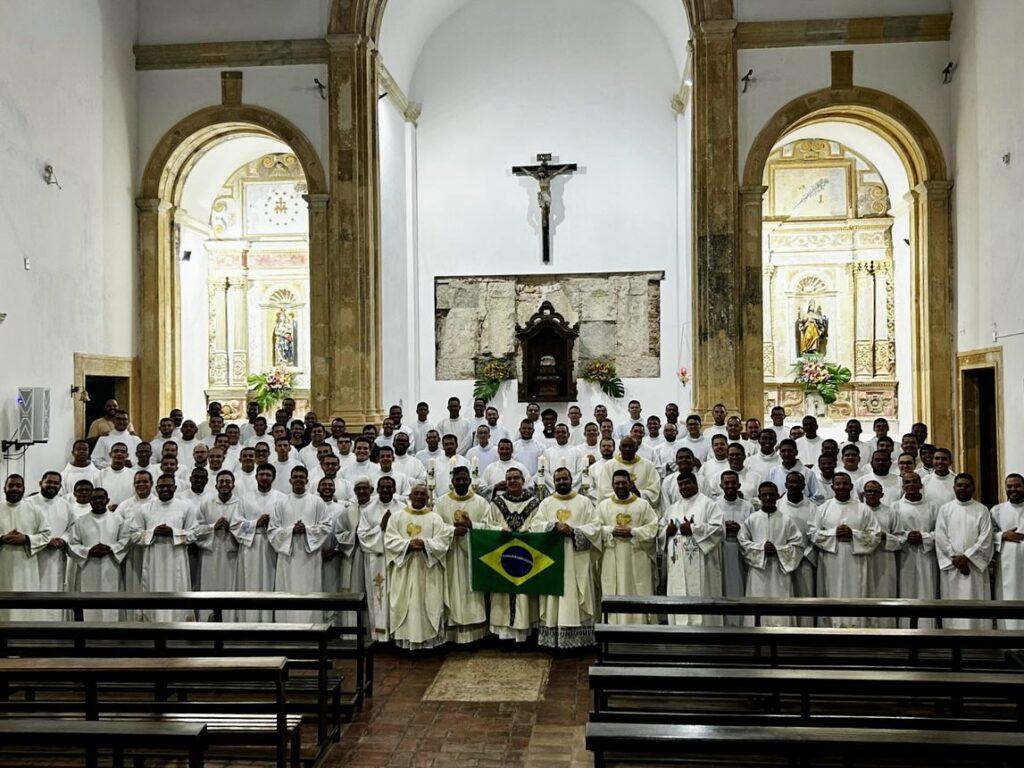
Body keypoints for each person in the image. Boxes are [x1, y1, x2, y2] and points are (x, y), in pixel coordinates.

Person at [530, 468, 601, 648]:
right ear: (553, 482)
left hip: (577, 558)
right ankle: (553, 638)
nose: (562, 482)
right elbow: (535, 525)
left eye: (565, 479)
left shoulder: (584, 502)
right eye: (558, 479)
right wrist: (553, 526)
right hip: (553, 558)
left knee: (576, 594)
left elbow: (595, 527)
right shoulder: (546, 503)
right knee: (554, 598)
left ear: (571, 480)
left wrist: (574, 531)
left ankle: (580, 639)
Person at [384, 484, 452, 650]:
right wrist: (407, 545)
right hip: (404, 570)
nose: (420, 496)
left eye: (423, 494)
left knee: (428, 602)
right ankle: (405, 640)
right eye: (416, 493)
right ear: (410, 496)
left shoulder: (435, 518)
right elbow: (389, 540)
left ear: (428, 498)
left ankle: (428, 642)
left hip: (428, 569)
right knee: (404, 603)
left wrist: (425, 544)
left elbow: (443, 542)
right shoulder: (397, 517)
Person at [811, 472, 879, 627]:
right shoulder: (823, 508)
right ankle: (830, 627)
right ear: (832, 486)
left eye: (845, 484)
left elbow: (875, 535)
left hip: (856, 559)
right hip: (831, 560)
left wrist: (853, 534)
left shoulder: (863, 509)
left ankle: (858, 627)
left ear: (851, 486)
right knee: (831, 593)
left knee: (857, 593)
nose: (841, 487)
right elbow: (812, 533)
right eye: (838, 484)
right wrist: (833, 533)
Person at [434, 467, 491, 643]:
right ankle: (452, 634)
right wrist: (452, 531)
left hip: (472, 557)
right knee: (451, 591)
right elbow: (435, 527)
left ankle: (475, 635)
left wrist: (472, 526)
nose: (461, 482)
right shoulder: (441, 503)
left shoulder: (481, 503)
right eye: (457, 480)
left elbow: (489, 527)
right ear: (452, 482)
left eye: (464, 479)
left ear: (469, 480)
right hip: (450, 555)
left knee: (472, 593)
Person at [131, 474, 198, 621]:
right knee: (153, 590)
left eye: (169, 486)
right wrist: (153, 533)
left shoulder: (186, 507)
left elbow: (194, 533)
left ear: (175, 487)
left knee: (177, 588)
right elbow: (134, 535)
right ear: (156, 488)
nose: (165, 489)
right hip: (153, 559)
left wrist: (173, 533)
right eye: (161, 486)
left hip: (176, 559)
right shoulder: (144, 508)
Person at [485, 468, 541, 642]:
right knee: (502, 595)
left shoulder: (534, 502)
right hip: (502, 554)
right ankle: (503, 634)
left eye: (516, 478)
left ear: (523, 481)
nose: (512, 481)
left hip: (526, 553)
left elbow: (539, 524)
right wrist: (499, 530)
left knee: (525, 595)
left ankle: (524, 633)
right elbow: (487, 525)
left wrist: (527, 533)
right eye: (509, 478)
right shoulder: (496, 503)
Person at [597, 470, 659, 625]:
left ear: (630, 484)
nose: (620, 486)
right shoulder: (603, 506)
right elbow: (595, 529)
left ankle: (641, 628)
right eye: (617, 483)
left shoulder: (643, 504)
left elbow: (653, 527)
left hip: (637, 556)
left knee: (639, 589)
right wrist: (611, 530)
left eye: (624, 483)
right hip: (612, 556)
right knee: (613, 589)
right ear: (612, 485)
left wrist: (633, 531)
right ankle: (613, 629)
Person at [268, 466, 329, 622]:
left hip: (310, 557)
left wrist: (307, 530)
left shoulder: (318, 502)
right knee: (287, 590)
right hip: (288, 556)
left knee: (310, 589)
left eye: (302, 477)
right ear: (290, 480)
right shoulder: (280, 503)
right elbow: (272, 530)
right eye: (295, 477)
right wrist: (291, 531)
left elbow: (326, 526)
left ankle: (312, 627)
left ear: (307, 481)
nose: (298, 480)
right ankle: (286, 628)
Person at [661, 472, 724, 625]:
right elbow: (661, 530)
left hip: (702, 562)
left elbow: (719, 529)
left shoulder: (708, 504)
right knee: (678, 593)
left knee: (702, 594)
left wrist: (694, 529)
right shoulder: (672, 508)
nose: (684, 487)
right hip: (677, 562)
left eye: (687, 483)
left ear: (696, 484)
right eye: (680, 485)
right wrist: (666, 532)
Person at [738, 482, 804, 625]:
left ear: (777, 496)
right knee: (757, 601)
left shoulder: (786, 520)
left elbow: (798, 545)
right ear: (759, 497)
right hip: (758, 571)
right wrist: (761, 548)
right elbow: (742, 542)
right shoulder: (752, 519)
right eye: (764, 495)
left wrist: (778, 550)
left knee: (781, 602)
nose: (768, 498)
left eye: (771, 494)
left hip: (780, 570)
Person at [935, 473, 993, 629]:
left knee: (976, 604)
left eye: (966, 485)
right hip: (952, 567)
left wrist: (967, 557)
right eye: (959, 485)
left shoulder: (982, 509)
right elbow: (941, 537)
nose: (962, 488)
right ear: (954, 487)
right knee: (953, 606)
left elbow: (985, 538)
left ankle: (979, 639)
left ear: (973, 488)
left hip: (974, 569)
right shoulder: (945, 509)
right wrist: (956, 560)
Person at [66, 487, 131, 621]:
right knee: (88, 604)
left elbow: (126, 540)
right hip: (87, 568)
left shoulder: (118, 519)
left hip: (111, 566)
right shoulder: (80, 521)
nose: (98, 501)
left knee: (111, 602)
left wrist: (111, 549)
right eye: (94, 498)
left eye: (101, 498)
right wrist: (89, 551)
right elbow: (72, 544)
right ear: (89, 501)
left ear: (107, 500)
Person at [357, 476, 406, 642]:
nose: (385, 490)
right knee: (379, 597)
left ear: (394, 489)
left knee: (398, 595)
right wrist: (381, 527)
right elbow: (362, 537)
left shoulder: (403, 508)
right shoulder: (368, 510)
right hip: (377, 560)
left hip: (397, 559)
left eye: (389, 487)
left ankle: (398, 634)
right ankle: (380, 635)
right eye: (382, 487)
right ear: (377, 490)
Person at [232, 463, 280, 621]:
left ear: (273, 477)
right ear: (256, 476)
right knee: (250, 583)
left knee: (271, 582)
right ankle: (250, 620)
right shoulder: (245, 498)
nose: (265, 478)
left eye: (268, 475)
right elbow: (235, 524)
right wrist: (255, 524)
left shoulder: (281, 498)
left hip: (272, 545)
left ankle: (270, 620)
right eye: (262, 475)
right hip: (250, 546)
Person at [0, 475, 52, 620]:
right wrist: (2, 538)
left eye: (18, 486)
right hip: (2, 564)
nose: (15, 489)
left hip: (26, 566)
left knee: (24, 601)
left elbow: (47, 534)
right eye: (11, 486)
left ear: (24, 489)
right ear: (4, 488)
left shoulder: (34, 509)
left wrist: (27, 538)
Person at [26, 471, 76, 618]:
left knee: (55, 589)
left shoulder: (65, 505)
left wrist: (63, 539)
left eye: (56, 483)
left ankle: (53, 625)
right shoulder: (29, 503)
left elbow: (72, 527)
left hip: (56, 557)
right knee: (33, 588)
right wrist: (44, 541)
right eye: (49, 482)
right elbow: (23, 528)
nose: (52, 485)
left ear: (60, 486)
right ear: (41, 483)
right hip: (33, 555)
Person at [892, 473, 939, 626]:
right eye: (907, 482)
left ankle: (927, 628)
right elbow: (892, 532)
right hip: (904, 556)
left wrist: (923, 537)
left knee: (927, 591)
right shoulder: (895, 506)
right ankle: (905, 628)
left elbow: (940, 532)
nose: (911, 485)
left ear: (921, 485)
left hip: (926, 556)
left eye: (914, 482)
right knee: (905, 591)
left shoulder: (933, 506)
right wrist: (906, 535)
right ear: (903, 486)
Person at [195, 470, 240, 601]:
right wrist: (212, 527)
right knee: (210, 589)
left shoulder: (240, 504)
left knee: (231, 590)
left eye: (228, 482)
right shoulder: (206, 504)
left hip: (232, 554)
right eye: (221, 482)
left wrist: (231, 529)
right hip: (210, 554)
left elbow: (245, 528)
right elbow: (196, 530)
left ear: (233, 485)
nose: (224, 484)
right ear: (216, 485)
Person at [777, 472, 818, 612]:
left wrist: (804, 553)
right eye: (791, 482)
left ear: (804, 486)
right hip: (782, 559)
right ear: (786, 485)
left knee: (805, 597)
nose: (794, 485)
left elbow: (816, 533)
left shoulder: (813, 508)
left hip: (805, 559)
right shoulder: (777, 506)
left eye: (797, 482)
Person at [863, 480, 900, 626]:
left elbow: (900, 538)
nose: (872, 494)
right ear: (863, 493)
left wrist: (886, 537)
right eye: (869, 491)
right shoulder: (858, 510)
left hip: (884, 558)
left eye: (876, 491)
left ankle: (886, 627)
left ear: (882, 494)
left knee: (884, 592)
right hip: (862, 558)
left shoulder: (890, 512)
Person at [715, 470, 753, 608]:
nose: (730, 486)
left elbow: (752, 529)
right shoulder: (715, 505)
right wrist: (723, 528)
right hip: (722, 548)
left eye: (733, 483)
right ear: (721, 485)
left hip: (741, 549)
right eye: (726, 483)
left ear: (739, 485)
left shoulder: (747, 506)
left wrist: (740, 528)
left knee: (740, 584)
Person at [992, 474, 1024, 630]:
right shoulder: (997, 511)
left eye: (1017, 486)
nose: (1013, 489)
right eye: (1009, 486)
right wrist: (1002, 535)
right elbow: (987, 535)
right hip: (1007, 565)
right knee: (1009, 597)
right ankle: (1008, 640)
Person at [596, 437, 661, 508]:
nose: (627, 449)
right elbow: (604, 492)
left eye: (631, 446)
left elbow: (654, 492)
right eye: (624, 446)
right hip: (616, 508)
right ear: (619, 448)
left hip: (640, 508)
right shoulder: (609, 466)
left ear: (637, 448)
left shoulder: (648, 466)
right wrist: (623, 494)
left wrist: (638, 493)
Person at [537, 423, 588, 494]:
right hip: (554, 490)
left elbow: (580, 472)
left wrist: (570, 487)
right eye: (558, 432)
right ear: (554, 435)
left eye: (563, 432)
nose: (561, 434)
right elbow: (545, 472)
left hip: (572, 490)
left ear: (568, 434)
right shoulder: (548, 452)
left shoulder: (577, 451)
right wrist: (556, 487)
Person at [98, 443, 137, 510]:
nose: (119, 454)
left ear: (127, 455)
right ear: (110, 454)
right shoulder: (100, 475)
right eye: (116, 451)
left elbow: (136, 497)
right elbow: (96, 496)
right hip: (107, 513)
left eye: (122, 452)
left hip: (128, 512)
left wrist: (122, 508)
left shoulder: (134, 475)